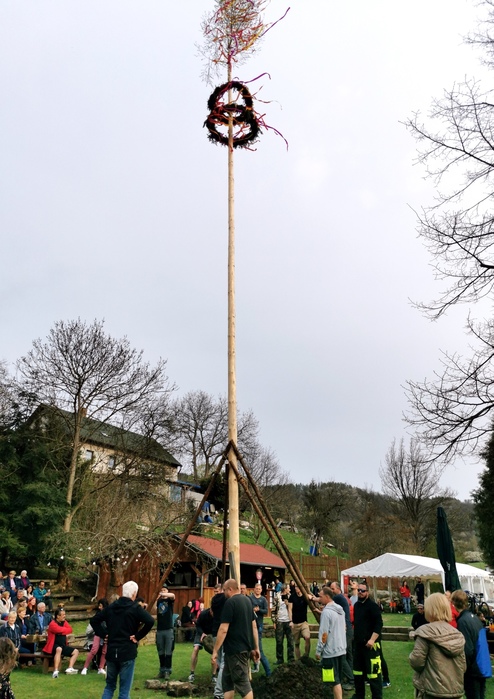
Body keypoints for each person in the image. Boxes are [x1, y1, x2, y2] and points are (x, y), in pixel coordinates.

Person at [91, 580, 154, 699]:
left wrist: (104, 634)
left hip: (112, 651)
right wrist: (137, 636)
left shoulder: (111, 607)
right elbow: (150, 621)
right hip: (127, 651)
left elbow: (94, 620)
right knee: (124, 691)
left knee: (109, 687)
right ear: (134, 594)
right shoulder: (135, 608)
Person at [409, 592, 465, 699]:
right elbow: (463, 665)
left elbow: (417, 662)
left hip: (432, 690)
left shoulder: (425, 632)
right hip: (454, 690)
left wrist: (411, 656)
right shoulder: (456, 633)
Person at [211, 579, 259, 699]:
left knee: (243, 684)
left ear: (230, 589)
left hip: (236, 651)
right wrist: (256, 647)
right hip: (233, 651)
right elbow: (254, 626)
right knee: (227, 684)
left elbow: (223, 629)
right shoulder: (248, 601)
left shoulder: (230, 603)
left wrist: (215, 650)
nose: (223, 593)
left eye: (224, 590)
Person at [452, 590, 487, 699]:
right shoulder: (475, 618)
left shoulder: (462, 621)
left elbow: (467, 650)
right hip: (482, 665)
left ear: (454, 603)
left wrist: (462, 670)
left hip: (473, 670)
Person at [353, 582, 383, 699]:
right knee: (358, 673)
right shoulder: (356, 605)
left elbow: (379, 624)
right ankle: (359, 695)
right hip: (358, 645)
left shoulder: (372, 606)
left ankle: (377, 696)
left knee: (373, 675)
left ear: (367, 592)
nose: (360, 592)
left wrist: (372, 640)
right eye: (359, 590)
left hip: (370, 646)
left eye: (363, 591)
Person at [315, 586, 346, 699]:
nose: (319, 599)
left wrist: (319, 650)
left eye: (321, 596)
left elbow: (324, 634)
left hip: (330, 651)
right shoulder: (340, 610)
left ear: (327, 597)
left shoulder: (326, 612)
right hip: (341, 649)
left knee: (333, 680)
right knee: (338, 679)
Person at [330, 580, 354, 691]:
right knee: (349, 655)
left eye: (333, 589)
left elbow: (326, 600)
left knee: (342, 656)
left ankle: (351, 680)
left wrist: (313, 598)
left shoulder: (338, 597)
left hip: (344, 630)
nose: (331, 591)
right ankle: (350, 677)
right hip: (348, 629)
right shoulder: (342, 598)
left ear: (338, 589)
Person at [44, 607, 79, 677]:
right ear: (58, 616)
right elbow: (57, 630)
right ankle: (56, 671)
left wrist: (61, 631)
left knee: (76, 652)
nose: (64, 616)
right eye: (63, 615)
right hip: (53, 646)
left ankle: (70, 668)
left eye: (64, 614)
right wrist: (63, 630)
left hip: (63, 645)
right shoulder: (52, 624)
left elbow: (70, 630)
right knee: (59, 649)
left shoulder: (64, 622)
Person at [81, 598, 108, 676]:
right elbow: (93, 623)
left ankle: (101, 668)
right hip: (98, 634)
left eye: (101, 606)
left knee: (104, 651)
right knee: (94, 650)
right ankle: (85, 668)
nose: (99, 607)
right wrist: (101, 633)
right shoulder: (98, 615)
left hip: (106, 635)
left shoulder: (109, 614)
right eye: (99, 606)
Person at [249, 582, 271, 677]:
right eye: (256, 588)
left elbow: (266, 611)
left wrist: (259, 610)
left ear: (261, 590)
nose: (257, 590)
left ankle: (268, 672)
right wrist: (253, 609)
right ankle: (254, 666)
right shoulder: (250, 598)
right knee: (250, 649)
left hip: (259, 625)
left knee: (259, 649)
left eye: (259, 589)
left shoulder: (263, 600)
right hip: (250, 625)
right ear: (254, 589)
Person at [188, 605, 214, 682]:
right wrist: (202, 633)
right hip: (201, 632)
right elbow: (198, 625)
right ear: (210, 610)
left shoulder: (218, 615)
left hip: (212, 633)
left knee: (215, 652)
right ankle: (192, 673)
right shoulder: (203, 614)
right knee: (196, 649)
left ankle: (214, 675)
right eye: (213, 611)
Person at [155, 585, 175, 679]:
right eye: (161, 590)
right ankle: (162, 670)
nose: (162, 591)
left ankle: (168, 670)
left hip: (168, 629)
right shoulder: (159, 601)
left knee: (168, 651)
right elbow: (154, 609)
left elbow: (173, 595)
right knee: (161, 651)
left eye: (164, 590)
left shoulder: (169, 601)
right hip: (160, 629)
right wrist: (157, 598)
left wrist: (163, 594)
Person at [272, 582, 294, 665]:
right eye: (288, 588)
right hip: (280, 621)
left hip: (288, 621)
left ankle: (291, 658)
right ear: (285, 589)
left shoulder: (291, 596)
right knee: (279, 641)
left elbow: (294, 609)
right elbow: (274, 609)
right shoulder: (277, 596)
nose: (289, 589)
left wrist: (288, 604)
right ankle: (280, 659)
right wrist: (274, 621)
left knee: (290, 641)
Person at [211, 583, 226, 699]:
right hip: (221, 632)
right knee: (223, 662)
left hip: (215, 631)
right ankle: (219, 691)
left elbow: (212, 613)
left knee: (220, 661)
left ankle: (220, 687)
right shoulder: (224, 598)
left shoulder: (213, 600)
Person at [289, 583, 311, 660]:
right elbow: (289, 609)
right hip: (295, 623)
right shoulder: (292, 597)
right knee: (296, 643)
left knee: (307, 637)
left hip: (303, 622)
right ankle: (299, 660)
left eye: (297, 587)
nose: (296, 588)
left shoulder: (305, 596)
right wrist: (291, 621)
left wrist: (310, 597)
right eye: (295, 587)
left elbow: (312, 601)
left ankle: (306, 655)